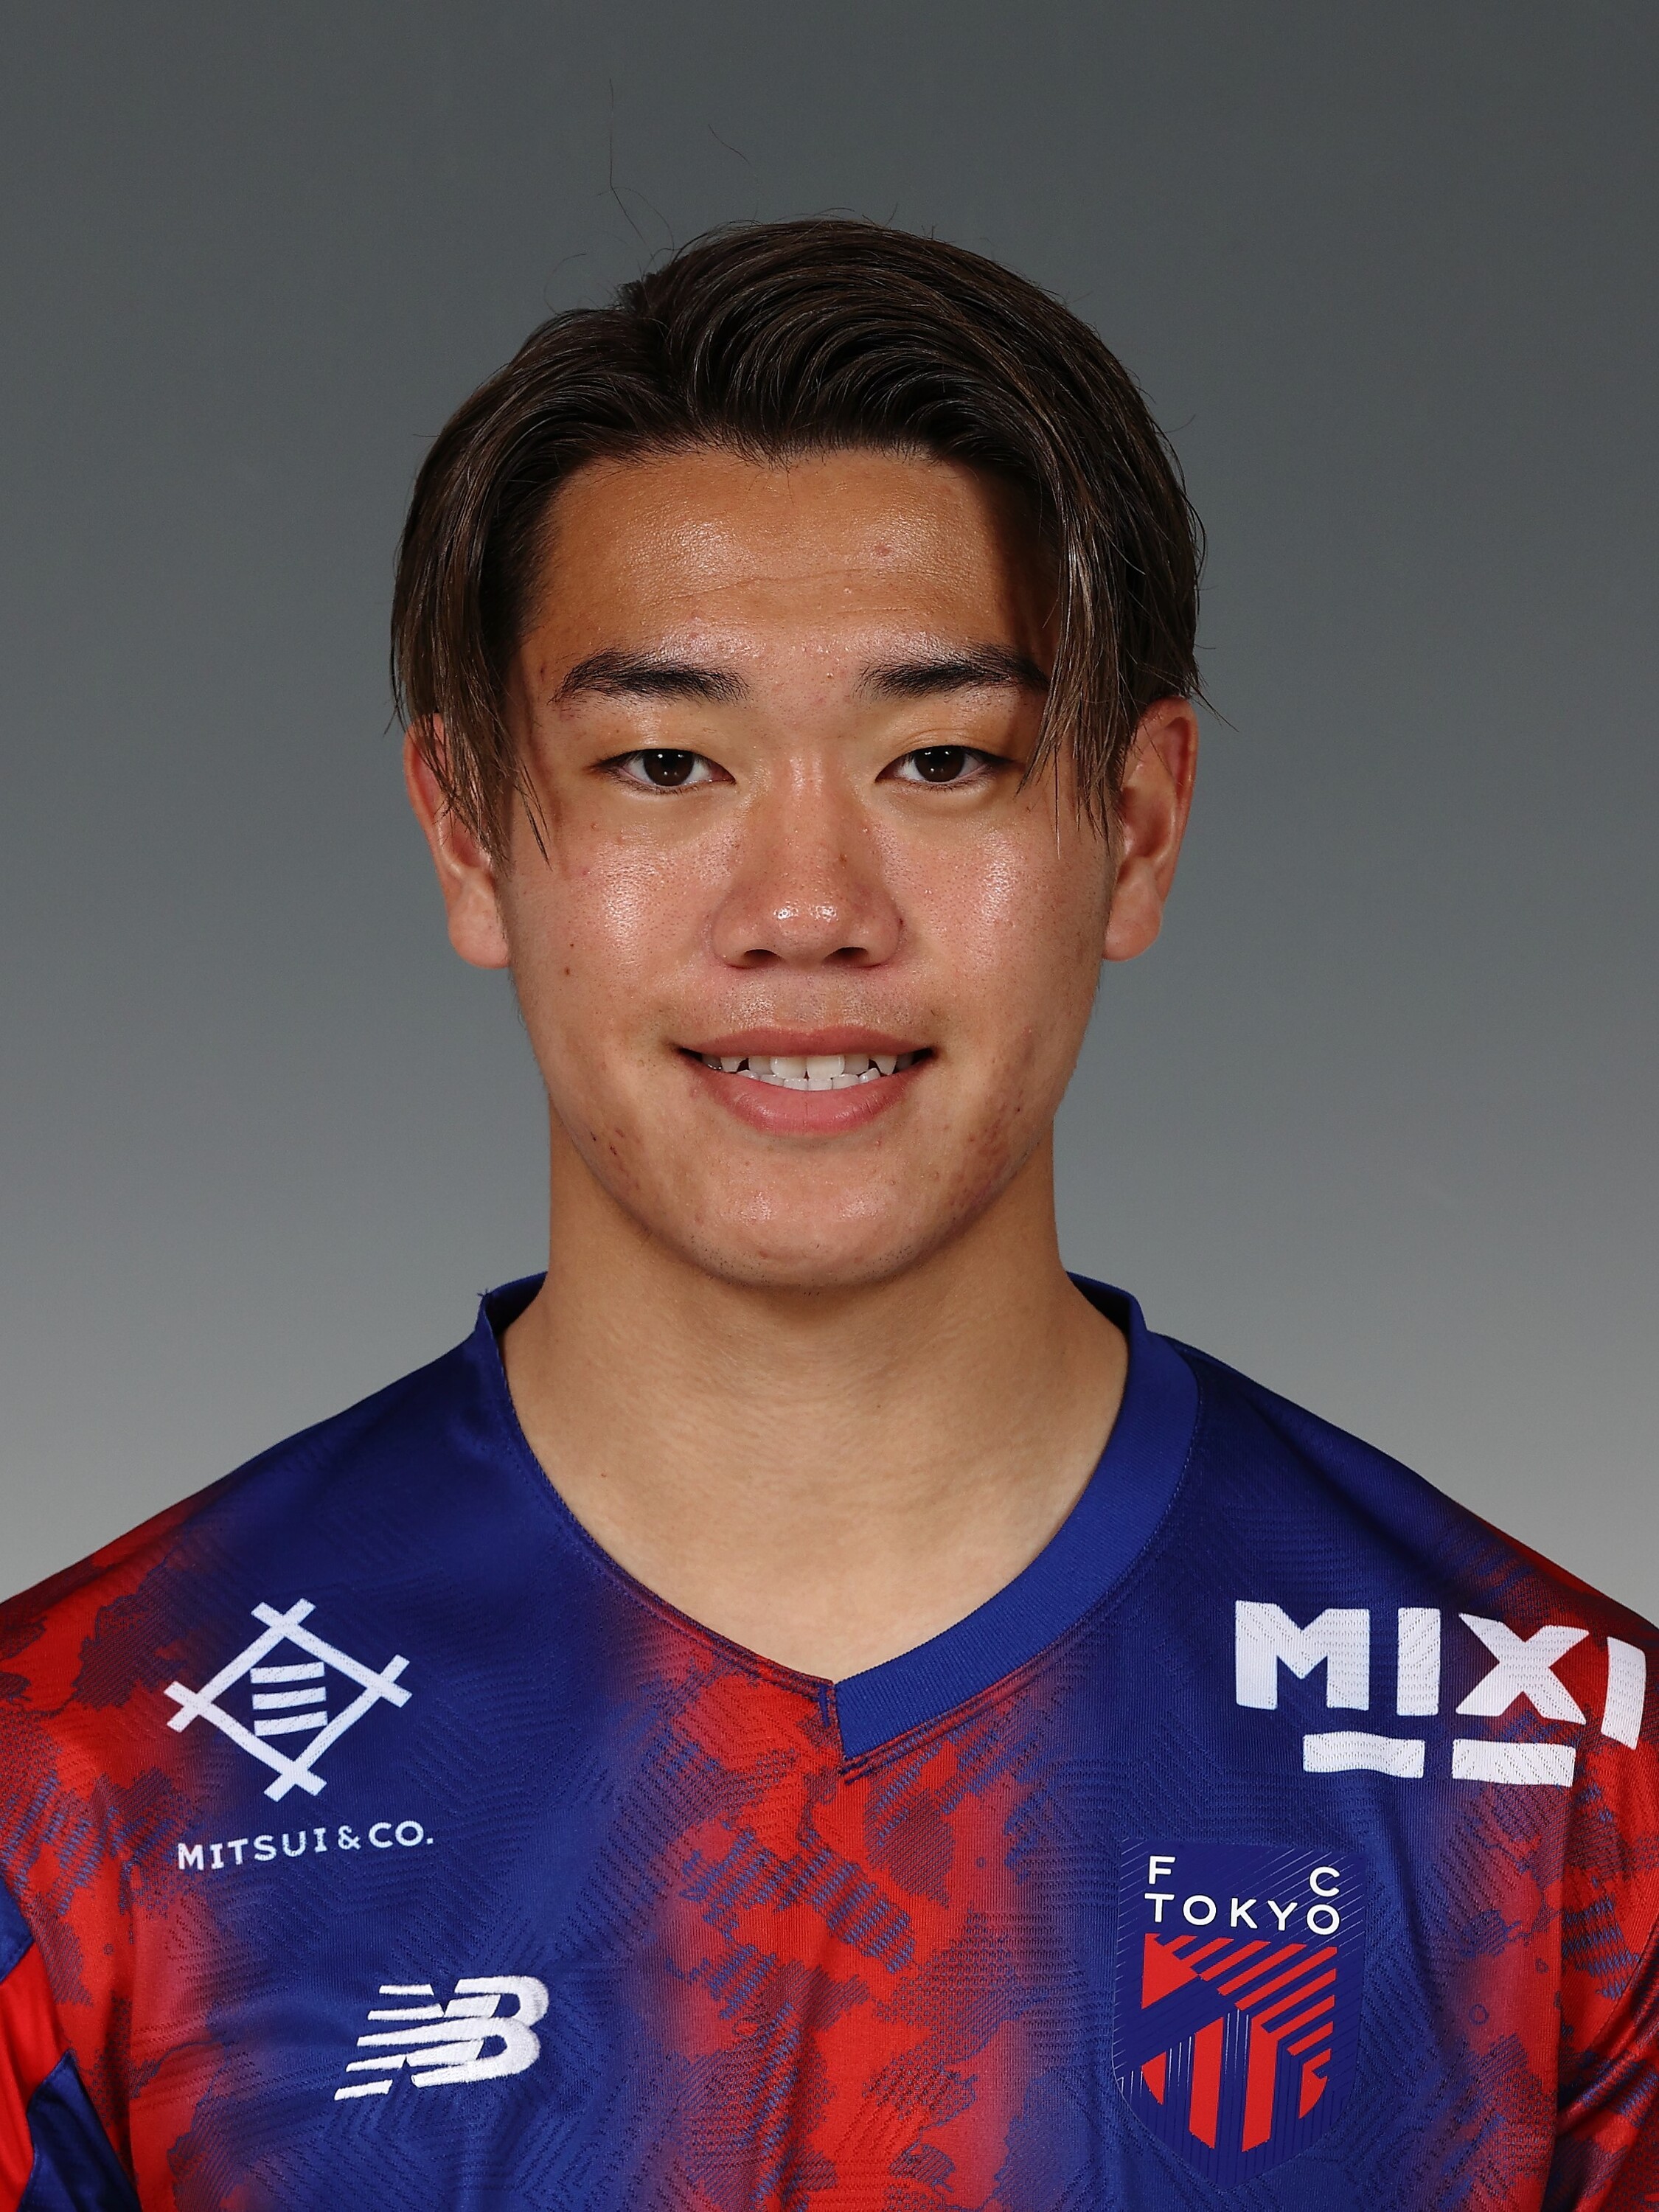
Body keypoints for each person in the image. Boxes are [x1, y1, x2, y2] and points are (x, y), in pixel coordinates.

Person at [0, 218, 1653, 2212]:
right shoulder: (80, 1768)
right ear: (469, 832)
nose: (805, 908)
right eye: (664, 762)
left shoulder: (1570, 1789)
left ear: (1135, 827)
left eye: (940, 759)